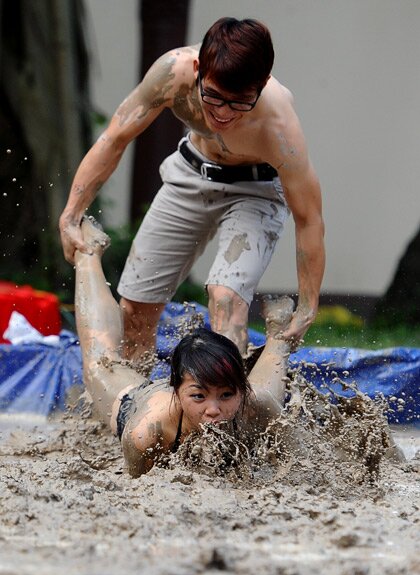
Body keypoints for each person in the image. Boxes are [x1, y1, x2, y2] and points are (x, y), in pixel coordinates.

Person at [60, 16, 324, 363]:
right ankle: (137, 406)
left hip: (255, 189)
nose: (223, 113)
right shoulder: (173, 74)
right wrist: (71, 215)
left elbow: (309, 218)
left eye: (239, 102)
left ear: (262, 85)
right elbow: (115, 138)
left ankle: (229, 410)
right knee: (135, 307)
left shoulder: (279, 126)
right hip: (190, 172)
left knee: (226, 298)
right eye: (213, 96)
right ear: (199, 68)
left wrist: (307, 305)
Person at [75, 216, 294, 477]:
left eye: (226, 396)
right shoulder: (146, 432)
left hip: (235, 391)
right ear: (176, 392)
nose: (213, 411)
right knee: (100, 362)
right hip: (138, 401)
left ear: (241, 390)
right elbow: (136, 492)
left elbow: (298, 464)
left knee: (269, 392)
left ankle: (279, 336)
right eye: (199, 397)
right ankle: (88, 253)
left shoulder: (256, 403)